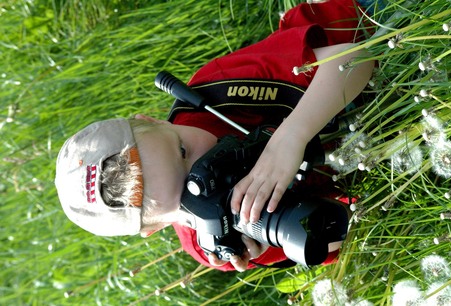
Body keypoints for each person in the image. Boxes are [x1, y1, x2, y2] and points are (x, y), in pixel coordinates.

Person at [55, 0, 375, 272]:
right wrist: (267, 238)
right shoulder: (212, 241)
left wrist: (293, 134)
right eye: (188, 192)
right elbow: (351, 226)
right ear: (157, 227)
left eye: (183, 151)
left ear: (153, 120)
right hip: (372, 150)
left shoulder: (216, 92)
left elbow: (356, 58)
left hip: (357, 27)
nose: (205, 169)